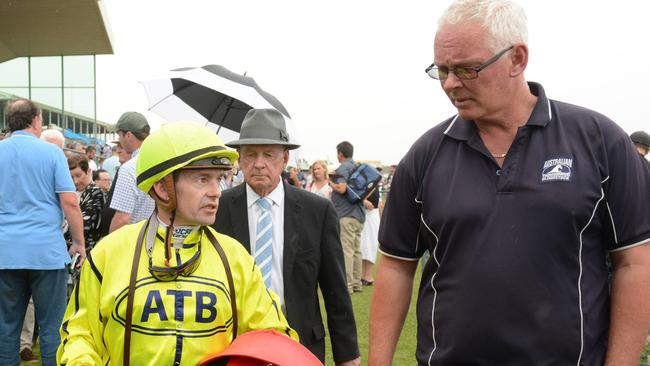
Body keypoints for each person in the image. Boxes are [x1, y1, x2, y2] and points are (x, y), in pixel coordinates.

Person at [369, 1, 650, 365]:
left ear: (517, 59)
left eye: (467, 69)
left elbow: (635, 262)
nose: (451, 84)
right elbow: (395, 264)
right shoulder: (425, 155)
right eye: (442, 70)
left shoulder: (599, 142)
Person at [57, 121, 297, 365]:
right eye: (203, 179)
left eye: (219, 179)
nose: (216, 191)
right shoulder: (110, 252)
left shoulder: (236, 257)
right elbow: (80, 334)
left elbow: (272, 335)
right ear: (162, 187)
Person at [212, 109, 360, 365]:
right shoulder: (217, 209)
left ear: (284, 158)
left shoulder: (318, 210)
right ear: (239, 158)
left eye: (268, 154)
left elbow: (335, 290)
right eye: (250, 154)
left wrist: (347, 356)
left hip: (299, 345)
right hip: (234, 347)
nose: (259, 163)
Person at [0, 98, 86, 366]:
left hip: (5, 253)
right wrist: (79, 243)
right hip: (46, 253)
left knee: (6, 328)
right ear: (36, 121)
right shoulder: (52, 153)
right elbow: (70, 202)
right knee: (52, 328)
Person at [109, 111, 155, 232]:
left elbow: (122, 219)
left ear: (128, 135)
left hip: (134, 242)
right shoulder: (160, 161)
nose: (119, 139)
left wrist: (108, 246)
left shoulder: (130, 168)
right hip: (159, 240)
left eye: (119, 135)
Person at [330, 141, 365, 294]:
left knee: (347, 250)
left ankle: (348, 284)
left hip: (345, 214)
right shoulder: (357, 166)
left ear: (340, 154)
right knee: (357, 250)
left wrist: (331, 183)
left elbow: (342, 188)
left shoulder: (343, 167)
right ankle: (357, 283)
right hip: (359, 214)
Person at [66, 155, 107, 252]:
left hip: (86, 250)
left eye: (78, 175)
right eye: (71, 177)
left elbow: (84, 226)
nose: (75, 181)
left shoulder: (95, 192)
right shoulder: (72, 192)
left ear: (88, 171)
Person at [360, 186, 380, 286]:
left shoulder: (372, 185)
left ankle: (368, 275)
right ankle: (363, 275)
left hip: (371, 217)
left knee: (370, 245)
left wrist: (361, 200)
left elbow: (373, 205)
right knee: (362, 246)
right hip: (362, 216)